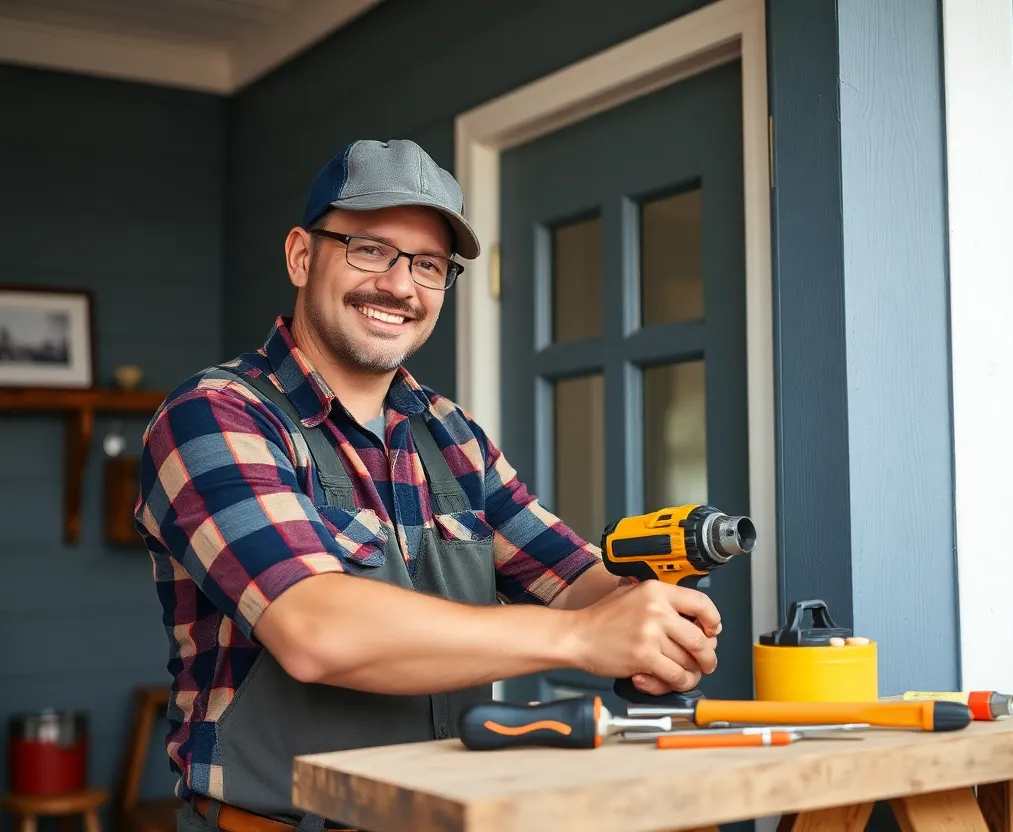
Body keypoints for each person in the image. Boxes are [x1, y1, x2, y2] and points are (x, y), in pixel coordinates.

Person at [134, 139, 722, 832]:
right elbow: (314, 629)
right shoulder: (214, 415)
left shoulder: (451, 434)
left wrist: (651, 618)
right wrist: (583, 638)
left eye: (429, 265)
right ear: (300, 255)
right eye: (369, 250)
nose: (400, 287)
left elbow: (571, 579)